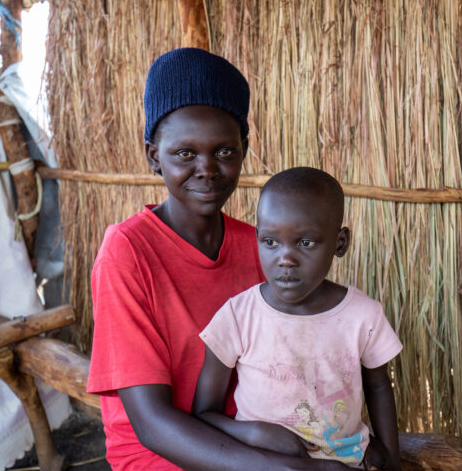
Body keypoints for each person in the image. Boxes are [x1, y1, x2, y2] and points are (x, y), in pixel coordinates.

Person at [87, 48, 352, 471]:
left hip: (255, 438)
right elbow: (151, 425)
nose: (207, 169)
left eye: (224, 152)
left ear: (243, 149)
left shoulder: (260, 247)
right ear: (154, 156)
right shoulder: (128, 251)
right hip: (163, 454)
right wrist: (291, 469)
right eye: (185, 154)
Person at [193, 167, 403, 470]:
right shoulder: (238, 316)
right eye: (271, 242)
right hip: (260, 463)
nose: (285, 258)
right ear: (257, 239)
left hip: (347, 462)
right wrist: (255, 432)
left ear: (339, 243)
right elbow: (204, 413)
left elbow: (380, 387)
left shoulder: (363, 315)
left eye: (305, 242)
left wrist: (388, 454)